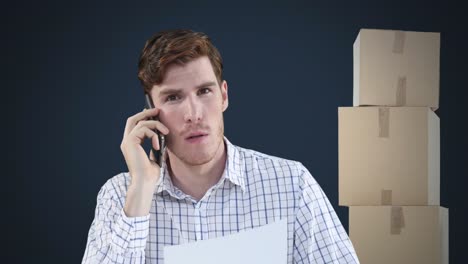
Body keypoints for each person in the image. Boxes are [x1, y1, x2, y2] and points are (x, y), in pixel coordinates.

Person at [82, 29, 359, 264]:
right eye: (173, 97)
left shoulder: (292, 184)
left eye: (204, 91)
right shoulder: (119, 197)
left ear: (224, 95)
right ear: (150, 111)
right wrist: (141, 187)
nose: (194, 114)